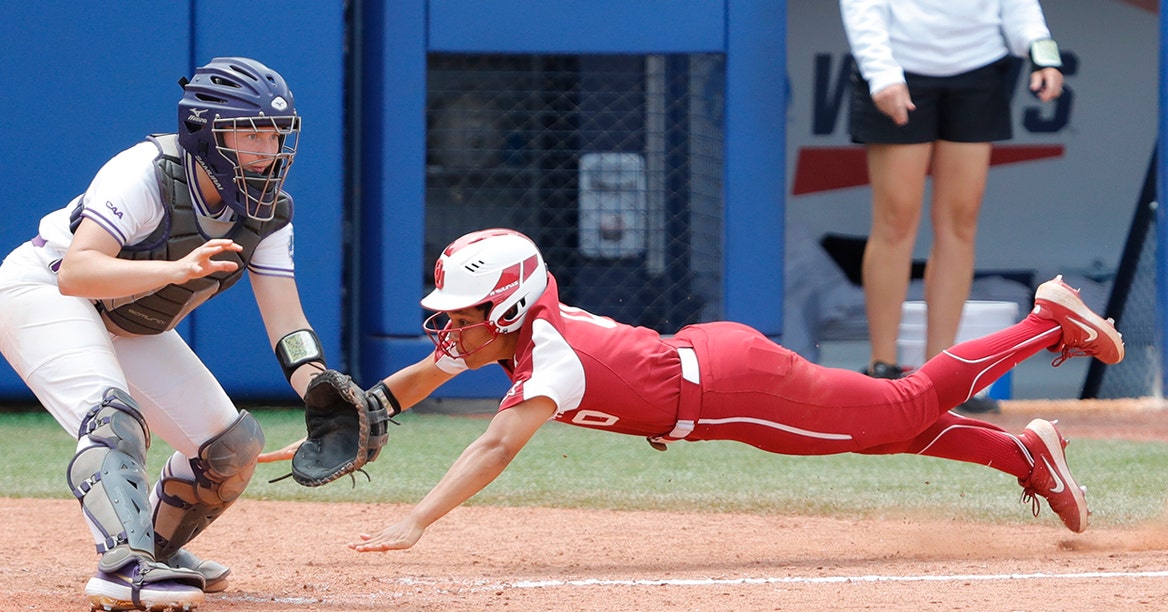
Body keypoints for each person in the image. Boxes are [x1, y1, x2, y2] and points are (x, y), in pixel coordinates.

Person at [346, 228, 1122, 555]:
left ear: (507, 304)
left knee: (902, 406)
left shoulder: (549, 357)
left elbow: (494, 445)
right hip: (718, 378)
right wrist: (369, 408)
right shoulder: (516, 329)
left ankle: (1048, 323)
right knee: (881, 427)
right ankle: (1027, 458)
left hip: (730, 388)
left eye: (463, 313)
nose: (451, 328)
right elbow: (428, 374)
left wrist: (416, 519)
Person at [0, 57, 331, 612]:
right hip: (44, 291)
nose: (267, 150)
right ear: (202, 133)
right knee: (113, 419)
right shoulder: (145, 171)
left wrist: (320, 389)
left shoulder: (267, 212)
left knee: (231, 450)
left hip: (127, 318)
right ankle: (123, 568)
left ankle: (154, 548)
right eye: (249, 132)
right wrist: (173, 272)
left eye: (275, 133)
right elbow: (77, 272)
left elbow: (288, 323)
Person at [838, 0, 1065, 413]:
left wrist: (1041, 52)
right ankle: (882, 370)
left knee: (960, 224)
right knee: (895, 221)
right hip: (898, 68)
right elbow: (861, 7)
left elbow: (1019, 7)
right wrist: (882, 74)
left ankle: (943, 374)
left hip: (979, 70)